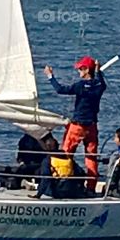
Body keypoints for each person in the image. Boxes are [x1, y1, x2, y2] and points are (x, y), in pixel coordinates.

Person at [43, 55, 106, 193]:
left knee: (65, 154)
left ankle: (63, 182)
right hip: (92, 126)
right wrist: (99, 70)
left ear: (86, 70)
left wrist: (50, 76)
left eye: (80, 69)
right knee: (91, 158)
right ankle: (91, 187)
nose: (78, 72)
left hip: (78, 126)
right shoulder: (99, 85)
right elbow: (100, 81)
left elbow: (60, 90)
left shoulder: (80, 86)